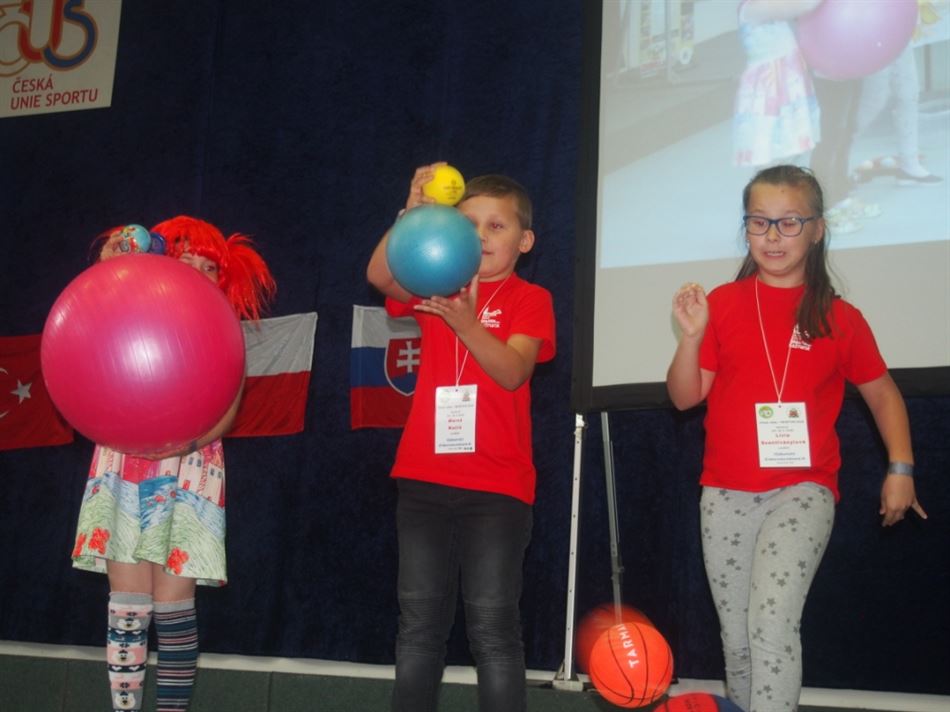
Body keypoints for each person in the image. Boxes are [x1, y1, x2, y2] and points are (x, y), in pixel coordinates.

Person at [666, 165, 926, 712]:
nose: (773, 235)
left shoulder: (840, 317)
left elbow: (883, 394)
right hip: (725, 492)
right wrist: (690, 338)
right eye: (759, 221)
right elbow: (686, 397)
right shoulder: (724, 303)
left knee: (771, 622)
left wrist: (900, 468)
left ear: (817, 229)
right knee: (738, 639)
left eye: (789, 222)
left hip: (802, 489)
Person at [367, 164, 556, 712]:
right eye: (469, 224)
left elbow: (513, 372)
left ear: (524, 241)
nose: (482, 236)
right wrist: (413, 212)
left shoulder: (530, 298)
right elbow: (379, 275)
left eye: (497, 226)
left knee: (493, 627)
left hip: (497, 488)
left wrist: (466, 323)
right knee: (419, 626)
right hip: (423, 481)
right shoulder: (436, 282)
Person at [71, 216, 276, 712]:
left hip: (190, 467)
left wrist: (181, 444)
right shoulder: (130, 312)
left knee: (175, 608)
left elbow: (228, 411)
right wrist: (110, 262)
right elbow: (90, 333)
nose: (199, 273)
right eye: (189, 261)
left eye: (211, 267)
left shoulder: (223, 330)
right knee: (127, 607)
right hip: (123, 460)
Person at [732, 0, 822, 168]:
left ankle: (784, 174)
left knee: (789, 143)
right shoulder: (752, 8)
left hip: (786, 81)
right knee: (770, 147)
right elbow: (803, 5)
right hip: (770, 89)